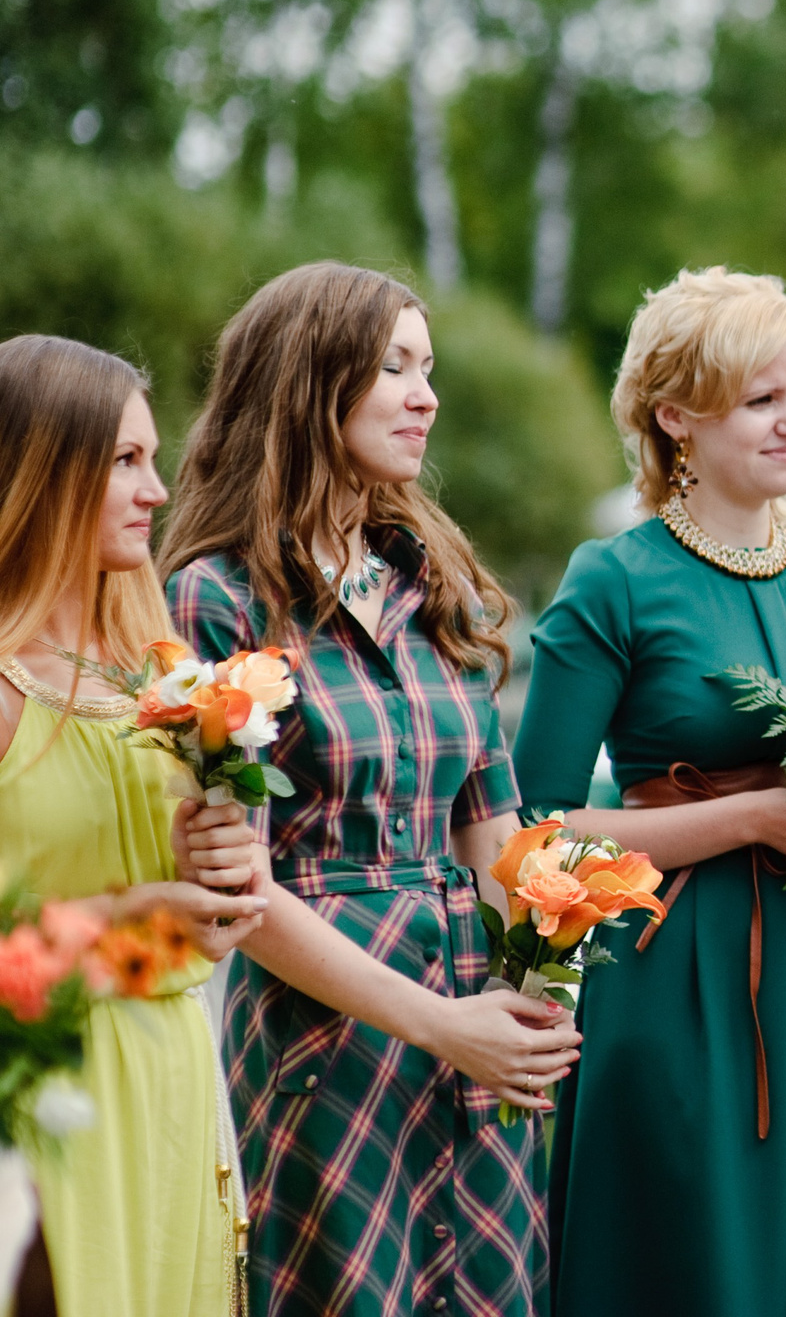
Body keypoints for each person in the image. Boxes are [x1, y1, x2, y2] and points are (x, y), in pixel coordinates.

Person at [512, 266, 786, 1317]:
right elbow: (538, 831)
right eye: (762, 400)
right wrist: (757, 818)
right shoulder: (611, 579)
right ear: (675, 417)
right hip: (682, 983)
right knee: (702, 1270)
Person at [160, 264, 579, 1317]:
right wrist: (440, 1023)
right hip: (326, 1059)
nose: (425, 396)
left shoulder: (429, 585)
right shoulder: (214, 599)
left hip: (475, 1060)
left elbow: (494, 832)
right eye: (393, 367)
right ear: (308, 382)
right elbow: (239, 895)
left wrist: (536, 993)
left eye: (427, 369)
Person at [0, 335, 270, 1317]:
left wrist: (232, 869)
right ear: (42, 467)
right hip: (45, 1096)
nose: (157, 491)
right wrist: (133, 916)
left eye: (151, 460)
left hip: (172, 1077)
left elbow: (228, 908)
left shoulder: (163, 679)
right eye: (125, 461)